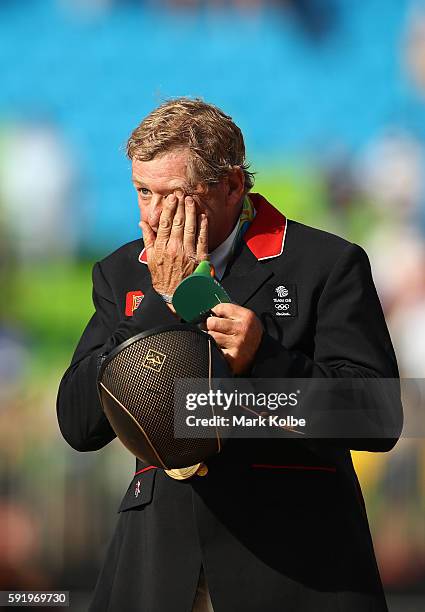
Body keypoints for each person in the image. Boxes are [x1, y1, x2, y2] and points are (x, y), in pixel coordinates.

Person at [57, 98, 403, 612]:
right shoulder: (121, 273)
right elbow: (79, 424)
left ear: (234, 187)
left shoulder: (325, 264)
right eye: (143, 192)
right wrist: (161, 300)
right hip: (158, 566)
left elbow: (379, 418)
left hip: (295, 569)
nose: (153, 216)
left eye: (174, 196)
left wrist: (265, 361)